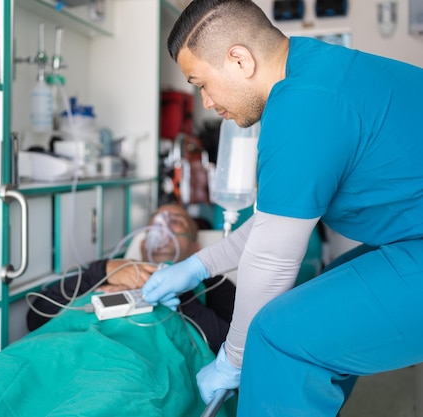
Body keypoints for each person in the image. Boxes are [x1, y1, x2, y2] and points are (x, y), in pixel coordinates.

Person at [141, 0, 423, 415]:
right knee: (327, 287)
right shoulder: (312, 69)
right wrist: (197, 266)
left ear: (239, 60)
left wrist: (233, 359)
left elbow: (272, 258)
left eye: (201, 83)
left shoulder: (303, 106)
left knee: (276, 336)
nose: (205, 102)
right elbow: (273, 224)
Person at [27, 203, 236, 353]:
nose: (164, 228)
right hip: (68, 352)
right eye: (156, 223)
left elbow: (231, 348)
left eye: (176, 222)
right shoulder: (111, 274)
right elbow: (37, 317)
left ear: (196, 247)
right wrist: (103, 270)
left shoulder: (214, 285)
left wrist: (180, 294)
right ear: (143, 245)